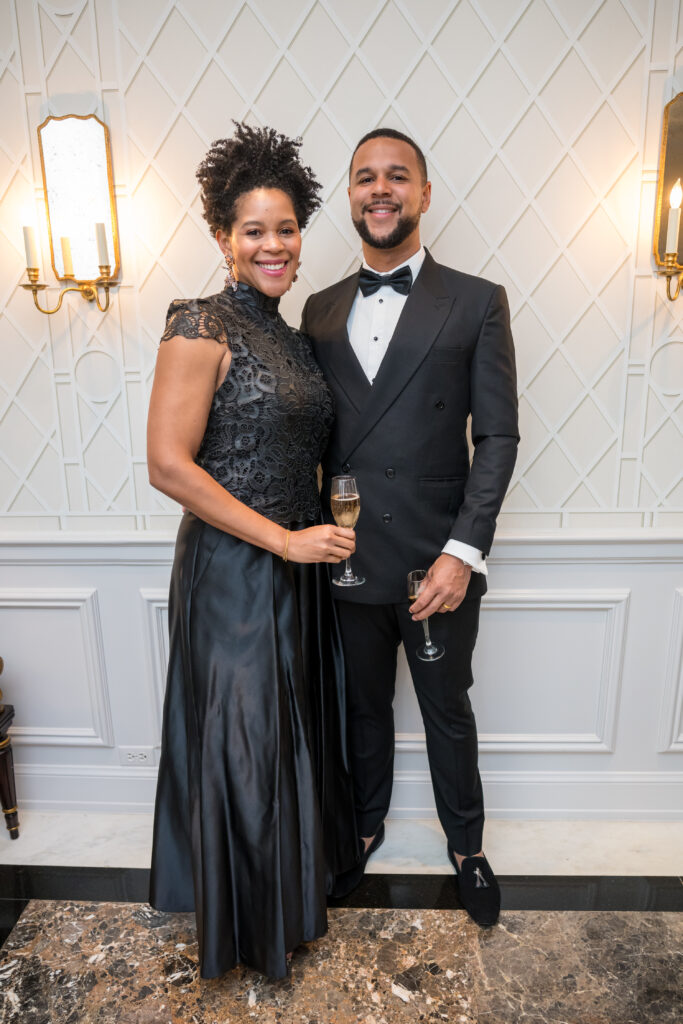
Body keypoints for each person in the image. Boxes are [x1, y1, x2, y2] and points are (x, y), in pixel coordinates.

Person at [147, 123, 359, 980]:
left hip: (297, 571)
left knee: (284, 745)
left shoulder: (296, 335)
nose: (272, 244)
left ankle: (283, 911)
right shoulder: (198, 323)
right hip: (235, 572)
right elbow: (167, 465)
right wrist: (282, 538)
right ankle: (244, 933)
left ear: (301, 234)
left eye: (286, 228)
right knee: (242, 746)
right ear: (223, 238)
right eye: (253, 230)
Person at [301, 128, 519, 927]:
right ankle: (361, 829)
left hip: (437, 562)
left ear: (424, 195)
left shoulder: (474, 299)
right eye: (365, 178)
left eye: (397, 177)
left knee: (445, 708)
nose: (380, 190)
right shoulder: (318, 309)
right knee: (361, 709)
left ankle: (467, 847)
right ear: (350, 197)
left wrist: (461, 553)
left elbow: (496, 437)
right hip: (348, 560)